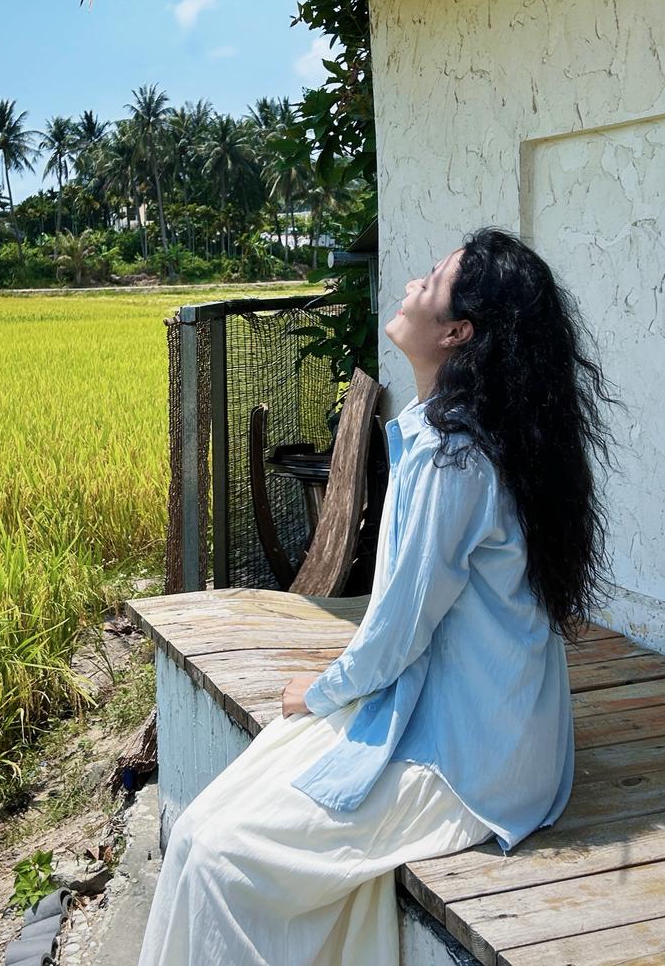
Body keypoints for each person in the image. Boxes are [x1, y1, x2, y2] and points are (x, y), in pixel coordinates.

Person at [136, 227, 621, 966]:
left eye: (432, 280)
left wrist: (320, 691)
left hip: (470, 765)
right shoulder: (463, 437)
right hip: (492, 736)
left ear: (457, 333)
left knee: (215, 853)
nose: (411, 285)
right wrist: (336, 688)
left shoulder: (453, 459)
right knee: (212, 829)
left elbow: (397, 632)